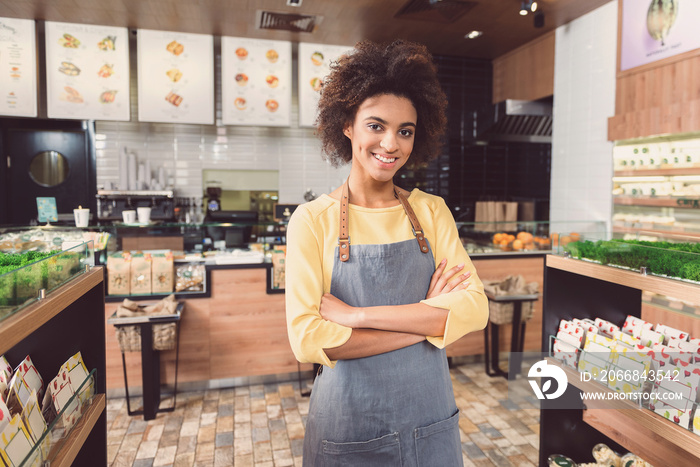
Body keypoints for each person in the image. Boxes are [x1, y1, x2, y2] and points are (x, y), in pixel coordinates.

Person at [285, 39, 489, 467]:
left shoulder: (431, 212)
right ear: (347, 125)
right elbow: (308, 338)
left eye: (405, 131)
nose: (390, 143)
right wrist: (428, 320)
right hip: (348, 427)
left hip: (429, 419)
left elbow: (474, 309)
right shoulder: (312, 220)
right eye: (376, 125)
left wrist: (357, 316)